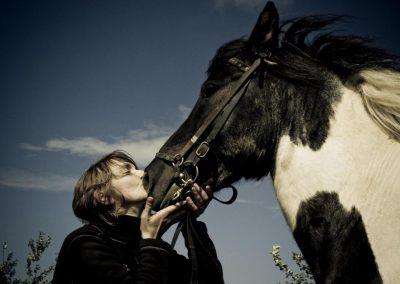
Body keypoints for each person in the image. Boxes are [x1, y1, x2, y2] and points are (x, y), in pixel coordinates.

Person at [52, 150, 223, 284]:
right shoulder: (85, 242)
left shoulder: (147, 244)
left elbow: (210, 281)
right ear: (101, 195)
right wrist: (150, 242)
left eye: (136, 169)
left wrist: (190, 221)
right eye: (127, 172)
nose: (142, 173)